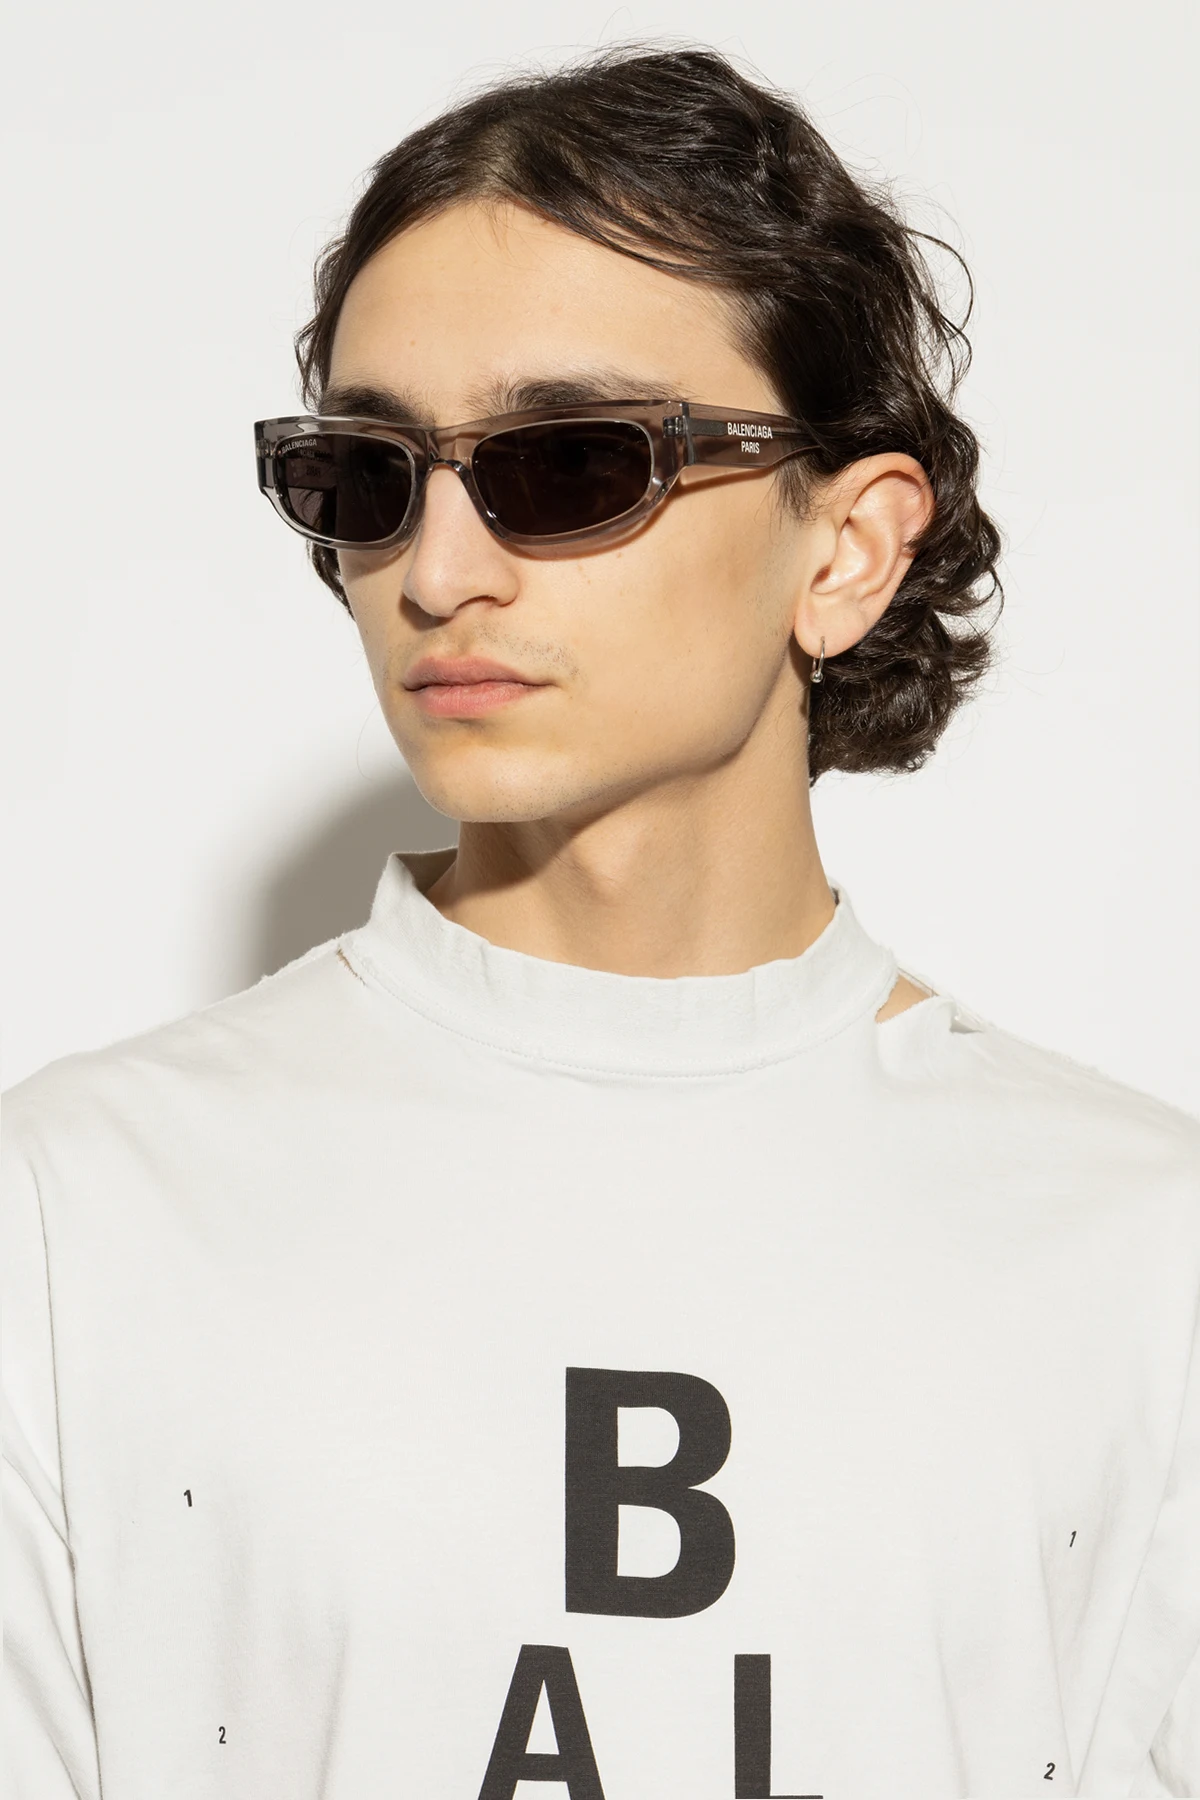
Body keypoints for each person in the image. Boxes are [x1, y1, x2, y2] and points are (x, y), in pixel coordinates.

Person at [3, 44, 1197, 1800]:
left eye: (570, 463)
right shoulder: (77, 1212)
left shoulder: (1144, 1256)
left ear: (845, 549)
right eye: (370, 474)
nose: (437, 572)